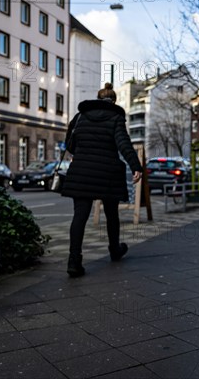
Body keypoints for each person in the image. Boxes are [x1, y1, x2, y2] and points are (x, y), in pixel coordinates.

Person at [61, 83, 143, 277]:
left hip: (81, 171)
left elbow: (69, 144)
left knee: (79, 216)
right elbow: (123, 144)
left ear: (98, 99)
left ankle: (74, 261)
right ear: (113, 101)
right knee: (111, 213)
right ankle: (114, 250)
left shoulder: (80, 117)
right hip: (108, 172)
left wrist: (82, 152)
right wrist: (136, 166)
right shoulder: (115, 117)